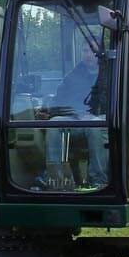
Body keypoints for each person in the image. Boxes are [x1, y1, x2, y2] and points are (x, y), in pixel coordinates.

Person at [46, 45, 109, 189]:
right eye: (85, 51)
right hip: (76, 118)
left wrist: (95, 117)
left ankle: (98, 180)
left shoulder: (113, 74)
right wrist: (78, 113)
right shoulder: (72, 76)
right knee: (54, 124)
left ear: (101, 53)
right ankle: (57, 180)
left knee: (95, 127)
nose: (89, 55)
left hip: (105, 119)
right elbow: (57, 103)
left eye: (93, 51)